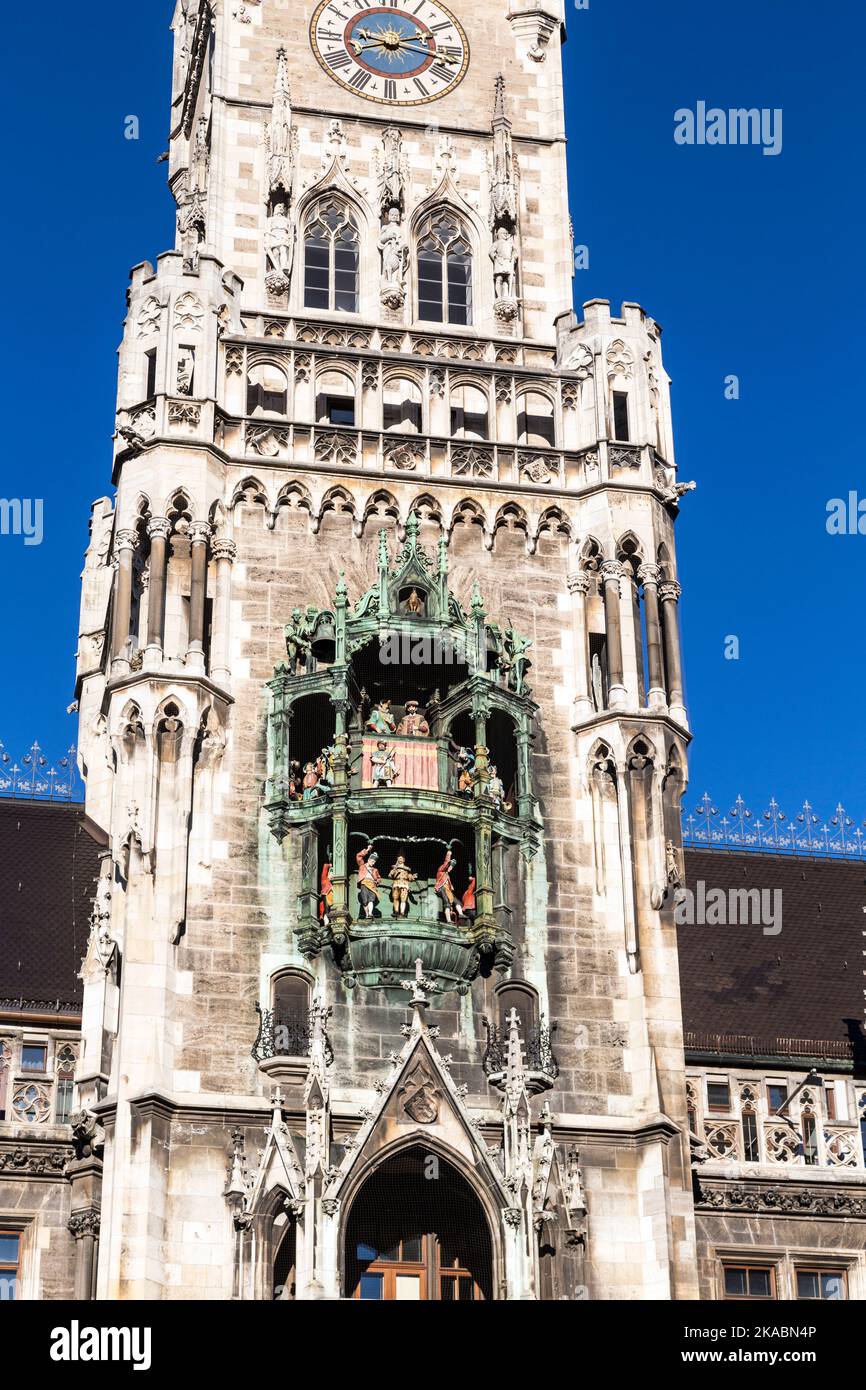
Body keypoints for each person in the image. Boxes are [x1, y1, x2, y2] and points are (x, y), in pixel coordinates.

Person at [435, 850, 465, 924]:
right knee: (447, 903)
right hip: (441, 888)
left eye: (451, 867)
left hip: (448, 890)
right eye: (450, 866)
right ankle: (448, 920)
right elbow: (446, 863)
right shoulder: (441, 871)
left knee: (457, 901)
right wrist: (448, 854)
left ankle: (461, 914)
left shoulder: (447, 875)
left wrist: (451, 886)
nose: (450, 868)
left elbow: (448, 883)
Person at [356, 846, 381, 919]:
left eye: (374, 862)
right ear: (369, 860)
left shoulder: (375, 870)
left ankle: (370, 913)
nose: (373, 863)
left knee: (371, 899)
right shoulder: (362, 866)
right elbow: (359, 856)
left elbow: (379, 878)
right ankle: (367, 914)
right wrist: (367, 850)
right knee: (364, 901)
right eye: (372, 861)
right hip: (364, 883)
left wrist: (377, 881)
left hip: (372, 885)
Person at [319, 862, 333, 927]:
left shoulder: (334, 883)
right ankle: (326, 923)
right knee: (326, 911)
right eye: (330, 874)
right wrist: (328, 865)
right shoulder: (325, 880)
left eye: (333, 874)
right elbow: (324, 871)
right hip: (326, 897)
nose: (332, 875)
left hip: (332, 899)